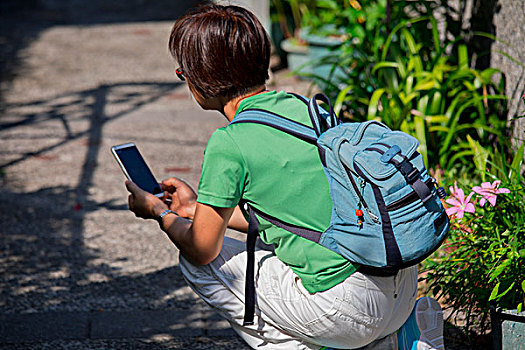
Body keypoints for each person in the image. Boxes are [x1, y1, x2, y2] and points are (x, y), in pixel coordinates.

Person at [125, 4, 444, 349]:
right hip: (401, 291)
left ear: (201, 79)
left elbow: (202, 248)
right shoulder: (305, 108)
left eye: (182, 73)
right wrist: (193, 207)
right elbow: (285, 214)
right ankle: (389, 342)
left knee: (198, 263)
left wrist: (160, 213)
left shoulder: (230, 143)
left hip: (349, 310)